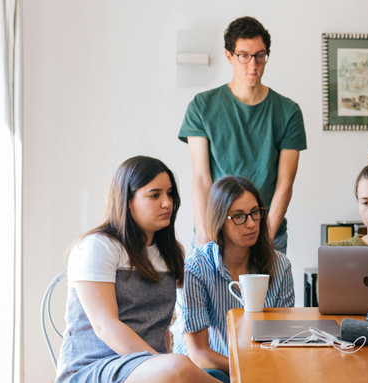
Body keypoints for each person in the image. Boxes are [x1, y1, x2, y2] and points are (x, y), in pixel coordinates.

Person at [55, 156, 219, 383]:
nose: (167, 203)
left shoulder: (169, 252)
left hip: (148, 368)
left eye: (170, 194)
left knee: (210, 372)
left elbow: (160, 327)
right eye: (155, 195)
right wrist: (162, 364)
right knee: (180, 366)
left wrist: (163, 363)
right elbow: (105, 326)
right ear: (128, 200)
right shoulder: (97, 247)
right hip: (92, 368)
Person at [179, 16, 306, 255]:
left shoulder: (288, 112)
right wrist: (205, 237)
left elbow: (285, 184)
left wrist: (265, 239)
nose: (253, 65)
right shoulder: (202, 107)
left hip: (268, 232)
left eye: (260, 55)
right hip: (216, 232)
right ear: (229, 56)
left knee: (267, 294)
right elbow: (201, 178)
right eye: (244, 55)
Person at [173, 176, 295, 382]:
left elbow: (282, 340)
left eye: (255, 213)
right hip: (206, 373)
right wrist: (249, 368)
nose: (251, 223)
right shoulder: (195, 268)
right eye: (238, 216)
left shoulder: (281, 265)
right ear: (220, 221)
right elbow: (199, 354)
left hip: (261, 369)